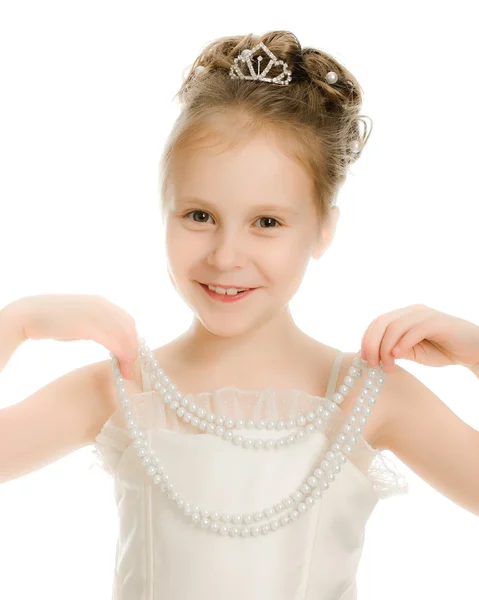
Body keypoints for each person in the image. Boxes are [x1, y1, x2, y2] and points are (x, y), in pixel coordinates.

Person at [1, 30, 478, 600]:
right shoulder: (126, 389)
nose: (225, 256)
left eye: (267, 223)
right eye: (199, 215)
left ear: (323, 228)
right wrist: (19, 321)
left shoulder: (365, 395)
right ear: (165, 212)